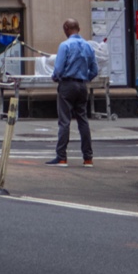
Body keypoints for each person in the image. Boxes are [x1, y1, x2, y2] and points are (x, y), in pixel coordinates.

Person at [47, 17, 98, 166]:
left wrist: (56, 77)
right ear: (79, 29)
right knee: (83, 120)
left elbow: (58, 69)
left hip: (67, 85)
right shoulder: (88, 46)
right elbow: (94, 70)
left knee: (64, 121)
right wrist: (85, 78)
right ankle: (88, 158)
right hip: (82, 86)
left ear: (66, 29)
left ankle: (61, 157)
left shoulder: (65, 45)